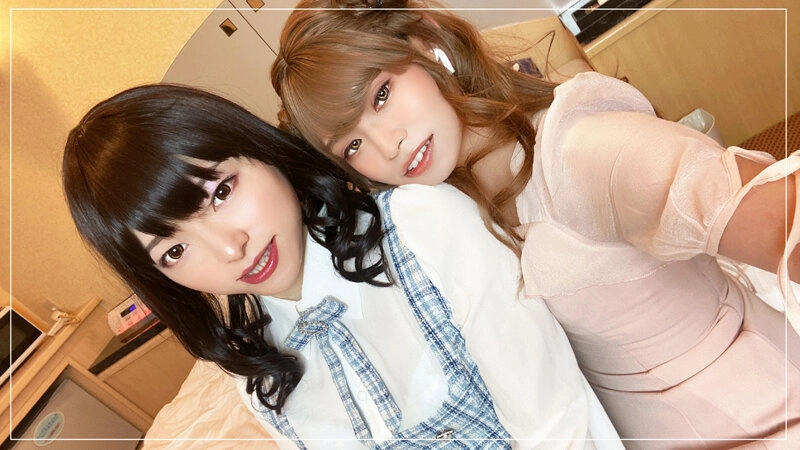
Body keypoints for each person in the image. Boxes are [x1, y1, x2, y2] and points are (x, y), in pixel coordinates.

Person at [270, 0, 800, 447]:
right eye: (352, 144)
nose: (387, 145)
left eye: (381, 95)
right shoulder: (442, 224)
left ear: (426, 43)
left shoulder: (579, 152)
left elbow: (784, 221)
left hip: (763, 418)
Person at [62, 83, 622, 449]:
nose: (231, 250)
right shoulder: (259, 375)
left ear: (258, 148)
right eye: (174, 251)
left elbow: (560, 424)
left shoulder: (420, 226)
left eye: (221, 192)